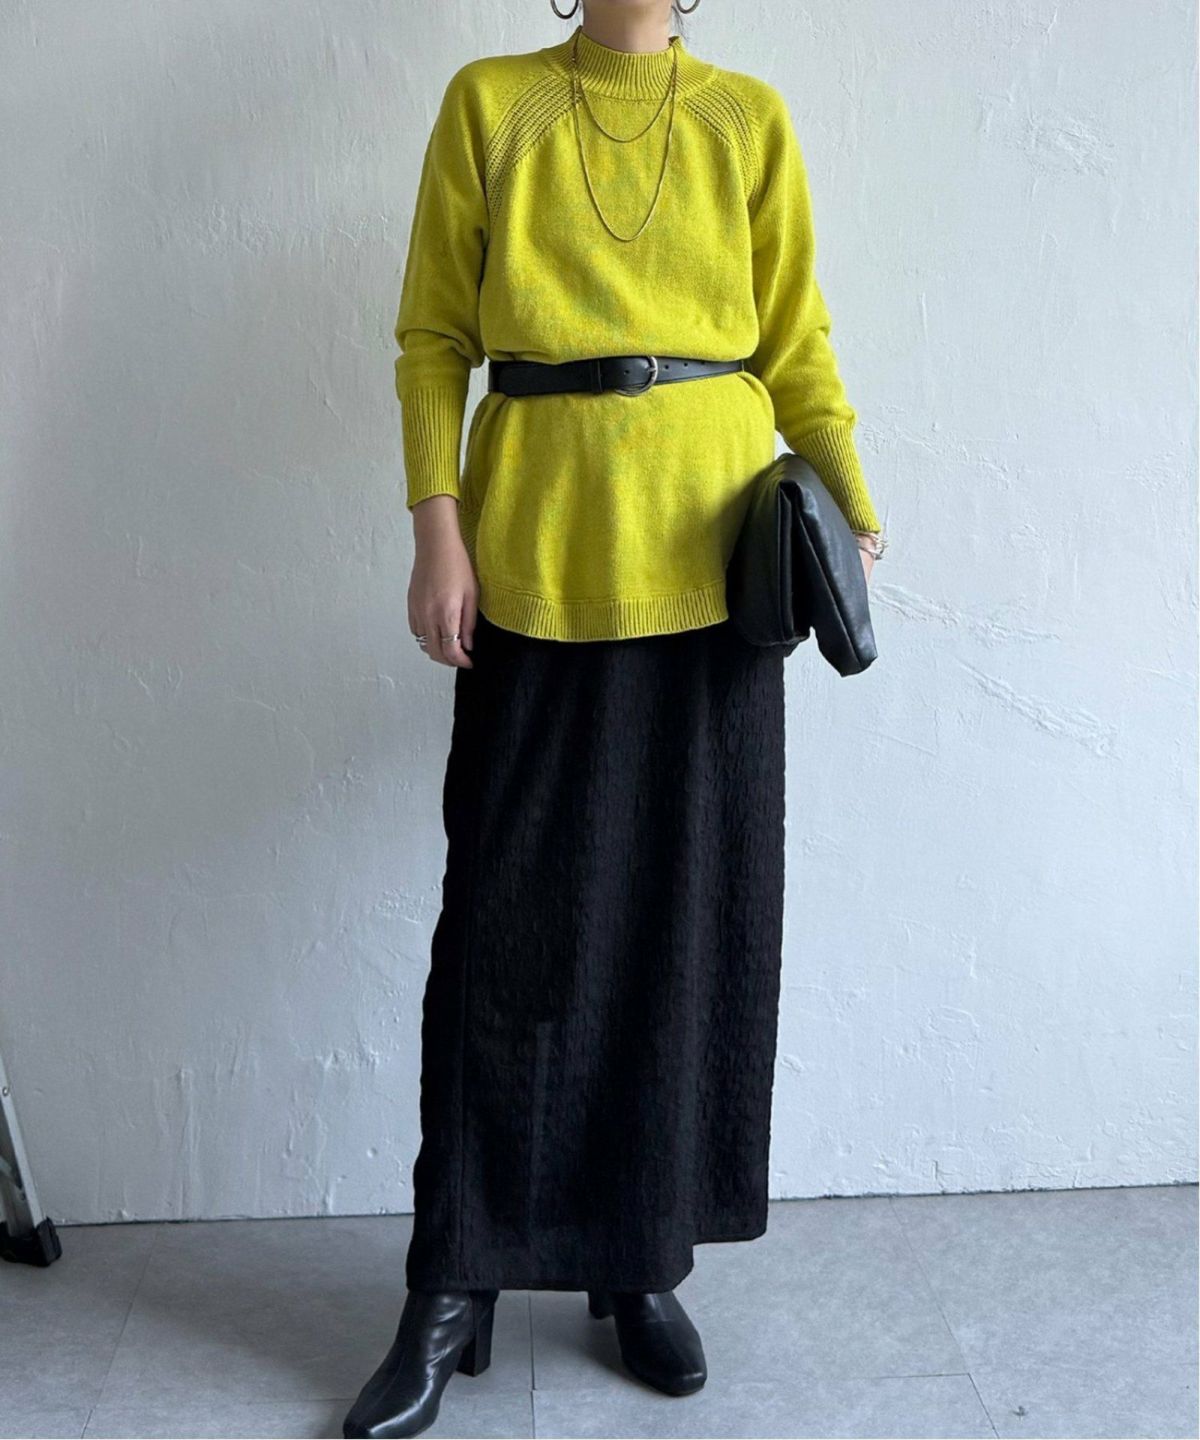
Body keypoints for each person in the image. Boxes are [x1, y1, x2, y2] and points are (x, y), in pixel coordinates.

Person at [344, 1, 886, 1434]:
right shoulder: (492, 102)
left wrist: (851, 504)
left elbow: (796, 337)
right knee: (502, 930)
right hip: (534, 558)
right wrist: (437, 529)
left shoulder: (748, 119)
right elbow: (431, 336)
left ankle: (637, 1260)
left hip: (717, 583)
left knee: (679, 931)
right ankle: (453, 1279)